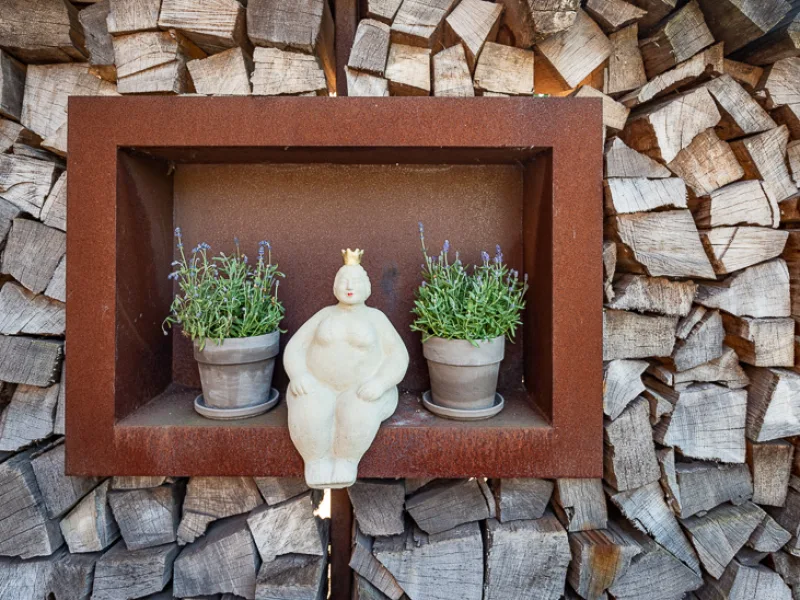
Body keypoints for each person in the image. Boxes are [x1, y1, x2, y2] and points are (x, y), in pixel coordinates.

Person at [284, 248, 409, 488]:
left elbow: (398, 356)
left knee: (358, 412)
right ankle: (316, 461)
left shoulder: (376, 318)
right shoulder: (325, 315)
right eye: (343, 281)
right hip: (319, 385)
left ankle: (346, 461)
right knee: (308, 410)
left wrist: (380, 383)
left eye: (356, 282)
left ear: (368, 287)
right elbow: (296, 347)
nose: (349, 286)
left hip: (362, 389)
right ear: (335, 285)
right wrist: (298, 374)